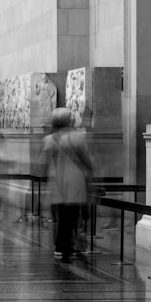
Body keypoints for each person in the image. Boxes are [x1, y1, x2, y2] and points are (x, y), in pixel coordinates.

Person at [42, 107, 95, 263]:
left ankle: (60, 246)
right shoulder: (77, 138)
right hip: (74, 181)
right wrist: (92, 174)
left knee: (60, 216)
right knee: (72, 215)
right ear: (68, 120)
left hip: (56, 181)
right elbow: (87, 159)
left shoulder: (49, 140)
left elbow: (44, 162)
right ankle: (68, 245)